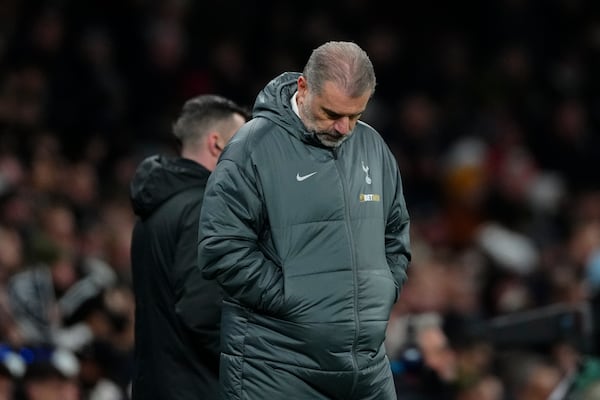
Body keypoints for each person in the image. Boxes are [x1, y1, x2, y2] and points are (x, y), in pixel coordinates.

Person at [197, 41, 412, 400]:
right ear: (303, 87)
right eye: (332, 114)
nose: (344, 128)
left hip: (367, 369)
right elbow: (220, 248)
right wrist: (293, 298)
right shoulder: (252, 146)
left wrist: (383, 288)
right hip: (276, 366)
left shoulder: (373, 145)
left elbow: (396, 231)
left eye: (355, 115)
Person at [129, 94, 250, 400]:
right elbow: (202, 310)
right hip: (197, 387)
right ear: (217, 144)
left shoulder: (156, 208)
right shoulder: (204, 207)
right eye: (244, 144)